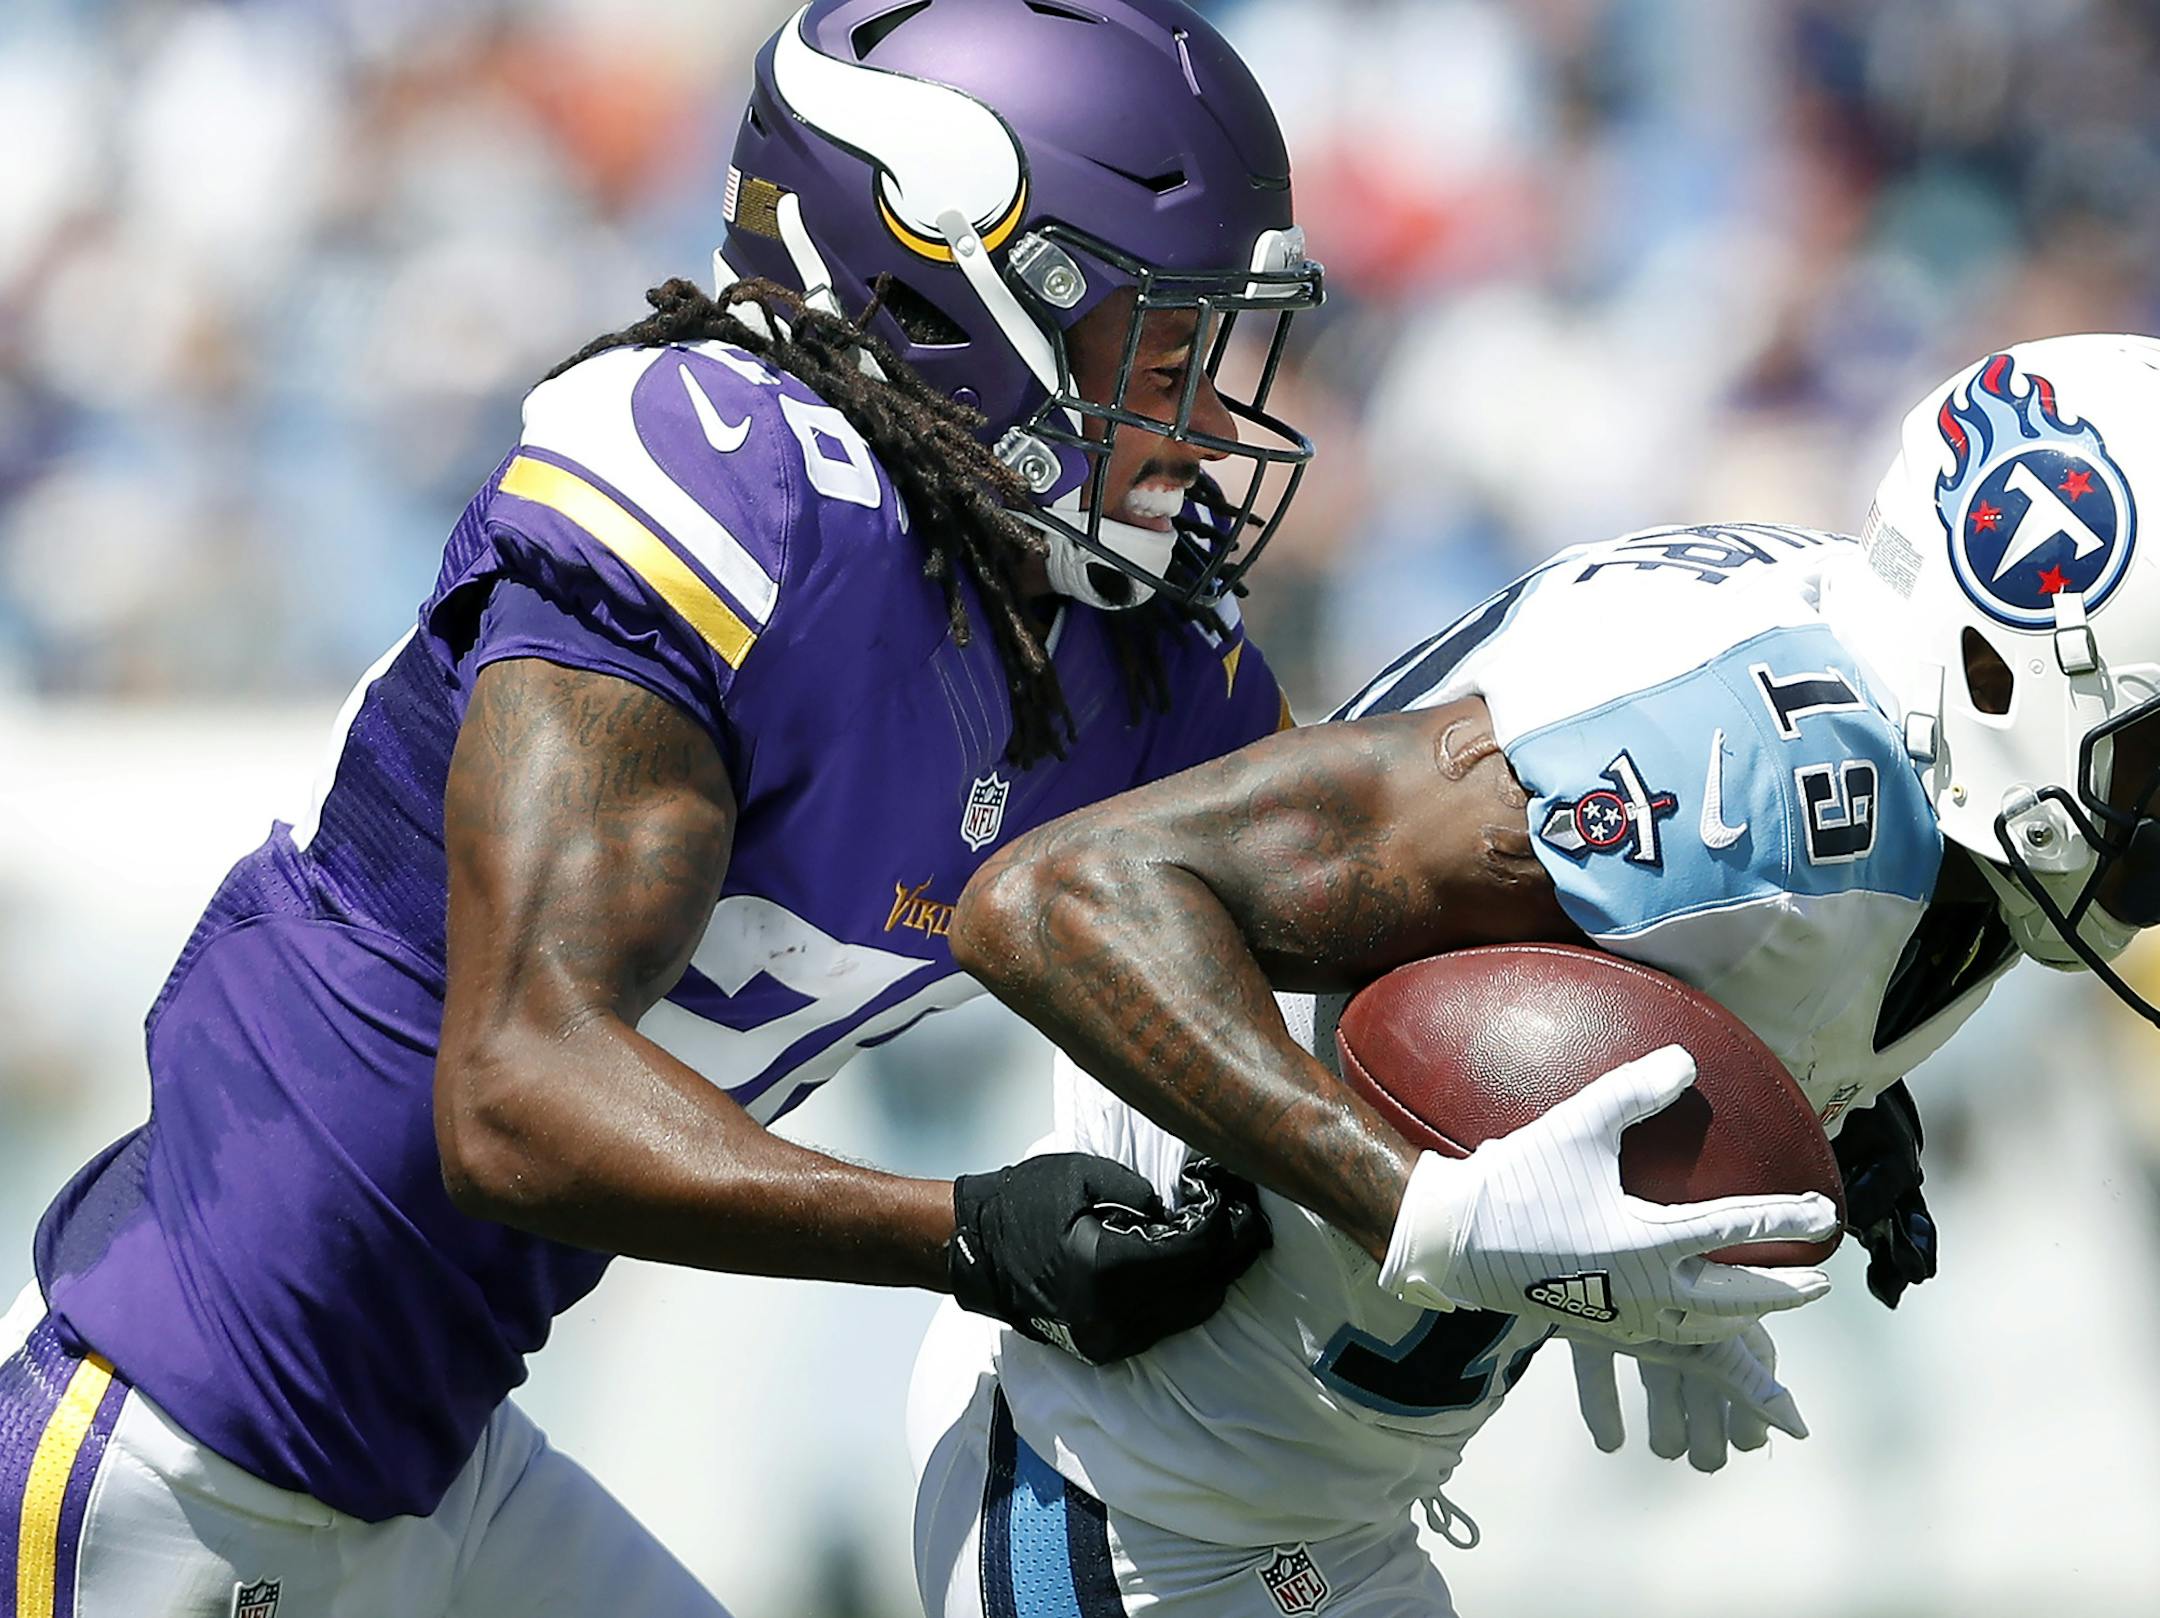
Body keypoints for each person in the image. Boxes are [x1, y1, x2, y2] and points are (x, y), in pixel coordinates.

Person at [0, 3, 1345, 1613]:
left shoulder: (1109, 657)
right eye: (1162, 341)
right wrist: (967, 1231)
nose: (1199, 419)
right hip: (174, 1462)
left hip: (434, 1461)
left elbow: (1363, 851)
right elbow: (513, 1093)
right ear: (960, 285)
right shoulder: (733, 488)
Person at [908, 333, 2160, 1618]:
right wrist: (1431, 1209)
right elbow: (1055, 902)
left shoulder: (1953, 796)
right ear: (2003, 668)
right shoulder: (1731, 787)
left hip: (1314, 1512)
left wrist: (1795, 1116)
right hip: (1128, 1487)